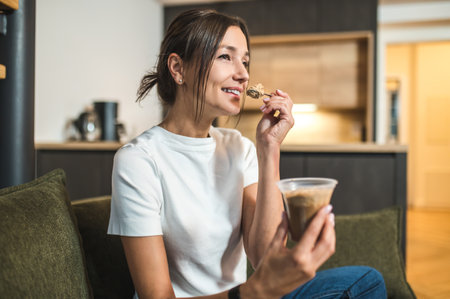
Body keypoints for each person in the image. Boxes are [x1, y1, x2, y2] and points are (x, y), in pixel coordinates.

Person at [107, 8, 387, 299]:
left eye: (245, 61)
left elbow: (264, 256)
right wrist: (251, 293)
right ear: (178, 69)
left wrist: (269, 149)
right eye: (225, 56)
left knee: (366, 282)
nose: (242, 74)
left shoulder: (239, 148)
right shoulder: (139, 160)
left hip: (250, 296)